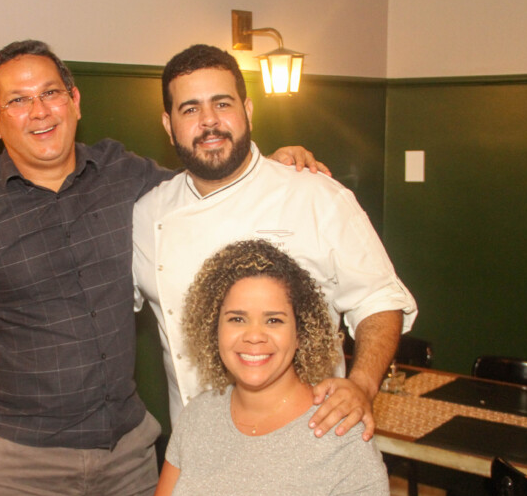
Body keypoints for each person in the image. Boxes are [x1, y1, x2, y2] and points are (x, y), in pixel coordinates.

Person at [0, 39, 328, 496]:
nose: (39, 111)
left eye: (51, 93)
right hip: (19, 459)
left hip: (127, 451)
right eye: (18, 100)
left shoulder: (124, 173)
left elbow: (207, 184)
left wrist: (271, 165)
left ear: (75, 101)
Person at [134, 45, 418, 440]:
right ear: (168, 125)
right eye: (190, 109)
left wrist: (362, 385)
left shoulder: (315, 195)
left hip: (311, 435)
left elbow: (380, 299)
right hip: (198, 445)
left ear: (248, 111)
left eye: (222, 103)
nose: (209, 121)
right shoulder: (148, 213)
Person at [130, 239, 390, 496]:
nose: (254, 336)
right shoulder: (199, 417)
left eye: (274, 320)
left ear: (301, 333)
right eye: (237, 318)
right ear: (214, 328)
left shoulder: (340, 434)